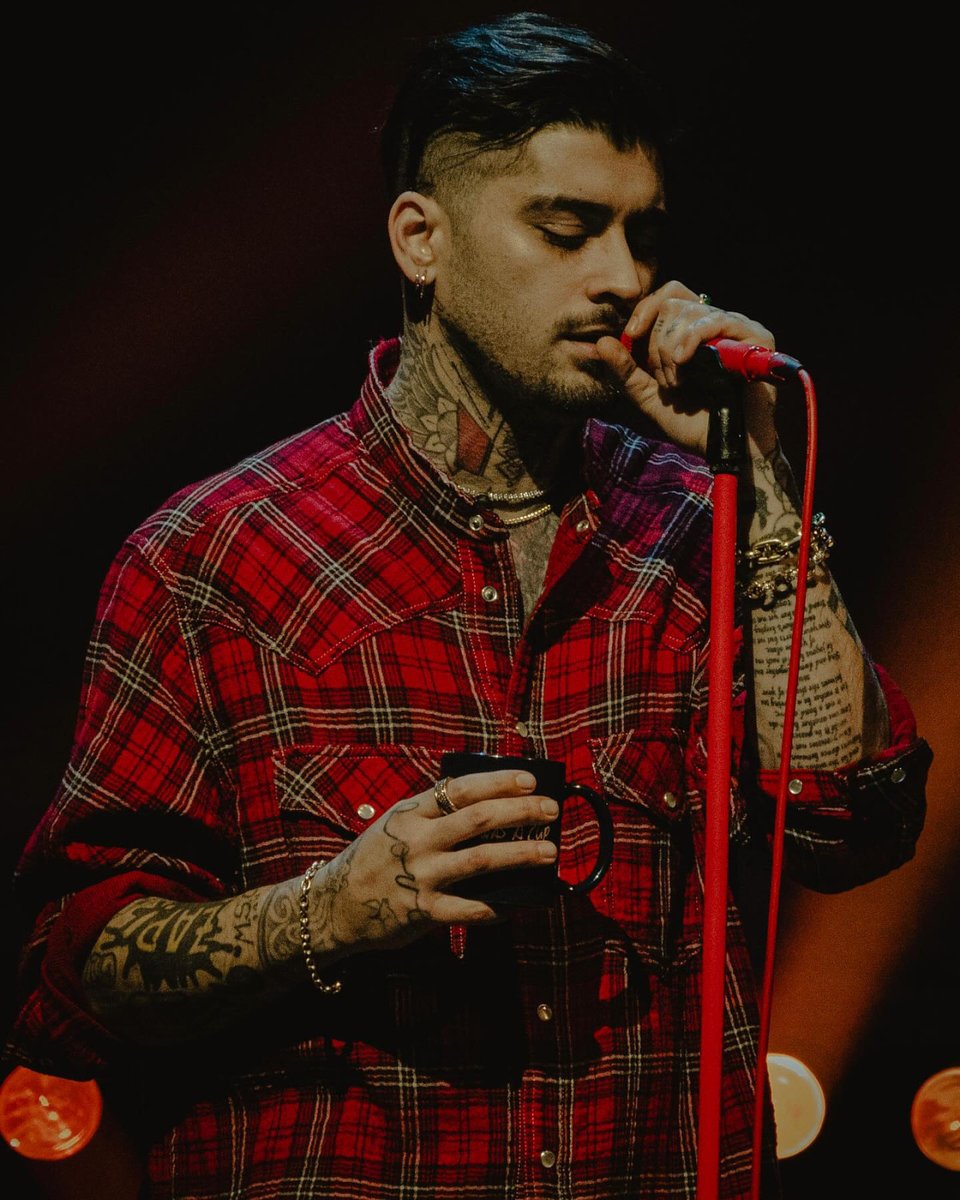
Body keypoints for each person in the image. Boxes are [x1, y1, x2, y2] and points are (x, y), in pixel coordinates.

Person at [5, 12, 931, 1199]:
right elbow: (74, 984)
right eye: (566, 228)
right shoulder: (216, 556)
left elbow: (852, 829)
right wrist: (327, 913)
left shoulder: (702, 534)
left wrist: (767, 506)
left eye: (640, 232)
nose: (625, 278)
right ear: (421, 239)